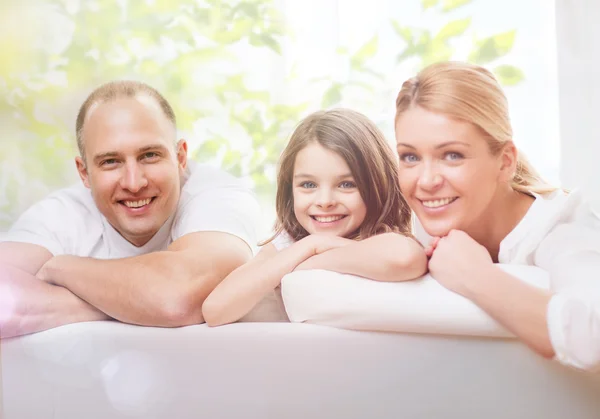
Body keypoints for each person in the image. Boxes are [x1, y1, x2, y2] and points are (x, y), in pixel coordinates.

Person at [0, 80, 260, 338]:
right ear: (84, 173)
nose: (134, 183)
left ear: (180, 157)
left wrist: (60, 267)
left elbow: (176, 298)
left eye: (149, 156)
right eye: (111, 162)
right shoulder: (61, 214)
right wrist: (130, 305)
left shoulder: (219, 197)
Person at [394, 61, 600, 372]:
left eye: (452, 155)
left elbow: (593, 335)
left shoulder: (562, 231)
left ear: (505, 162)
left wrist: (475, 277)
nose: (425, 181)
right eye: (410, 157)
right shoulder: (426, 220)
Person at [202, 108, 428, 326]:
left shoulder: (384, 236)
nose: (325, 200)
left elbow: (406, 258)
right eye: (308, 185)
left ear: (378, 184)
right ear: (290, 189)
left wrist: (313, 255)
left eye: (346, 184)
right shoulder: (289, 244)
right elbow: (215, 310)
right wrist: (311, 244)